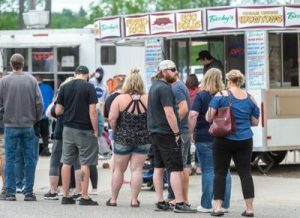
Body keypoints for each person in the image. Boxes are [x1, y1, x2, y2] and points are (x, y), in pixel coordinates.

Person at [206, 69, 260, 217]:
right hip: (244, 140)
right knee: (245, 173)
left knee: (220, 172)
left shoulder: (220, 95)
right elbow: (255, 122)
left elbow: (208, 117)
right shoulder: (250, 98)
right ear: (240, 81)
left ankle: (217, 207)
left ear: (229, 81)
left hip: (223, 139)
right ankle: (249, 209)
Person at [147, 60, 196, 213]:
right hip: (166, 133)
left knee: (158, 167)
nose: (176, 73)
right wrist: (176, 132)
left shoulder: (153, 87)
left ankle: (161, 201)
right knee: (175, 167)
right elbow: (169, 112)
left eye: (176, 69)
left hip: (154, 132)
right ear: (163, 72)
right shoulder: (165, 88)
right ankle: (180, 202)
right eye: (172, 70)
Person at [0, 53, 43, 201]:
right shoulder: (31, 80)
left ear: (11, 64)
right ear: (23, 63)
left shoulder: (3, 81)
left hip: (10, 125)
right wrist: (35, 119)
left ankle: (10, 192)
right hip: (28, 125)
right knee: (29, 158)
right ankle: (28, 192)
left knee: (10, 158)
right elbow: (39, 103)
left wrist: (3, 117)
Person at [188, 68, 231, 213]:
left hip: (204, 136)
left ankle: (206, 205)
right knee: (225, 171)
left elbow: (193, 115)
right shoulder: (226, 95)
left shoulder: (201, 96)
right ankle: (224, 204)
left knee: (208, 170)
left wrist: (190, 132)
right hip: (224, 136)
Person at [106, 69, 150, 207]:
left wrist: (117, 129)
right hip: (143, 138)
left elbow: (112, 118)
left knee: (119, 170)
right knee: (137, 170)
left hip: (123, 138)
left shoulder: (119, 98)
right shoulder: (148, 98)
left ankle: (113, 199)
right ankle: (134, 200)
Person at [55, 65, 99, 206]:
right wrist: (96, 129)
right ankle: (84, 196)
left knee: (66, 162)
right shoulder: (89, 87)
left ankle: (66, 195)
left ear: (75, 74)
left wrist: (69, 109)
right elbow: (93, 111)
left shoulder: (64, 87)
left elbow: (58, 110)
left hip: (68, 128)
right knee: (85, 162)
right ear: (87, 75)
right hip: (84, 130)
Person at [167, 73, 191, 206]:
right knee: (183, 167)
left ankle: (179, 198)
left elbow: (184, 108)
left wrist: (173, 125)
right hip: (185, 131)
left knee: (178, 167)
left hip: (180, 131)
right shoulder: (181, 86)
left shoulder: (176, 88)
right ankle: (183, 198)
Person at [185, 74, 201, 176]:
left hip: (186, 121)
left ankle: (188, 167)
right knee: (198, 143)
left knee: (186, 144)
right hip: (198, 120)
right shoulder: (200, 92)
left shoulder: (185, 92)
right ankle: (198, 166)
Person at [35, 74, 54, 156]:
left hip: (35, 116)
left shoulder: (32, 87)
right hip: (44, 116)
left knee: (35, 134)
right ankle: (45, 149)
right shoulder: (48, 88)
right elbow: (52, 100)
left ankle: (36, 150)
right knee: (45, 134)